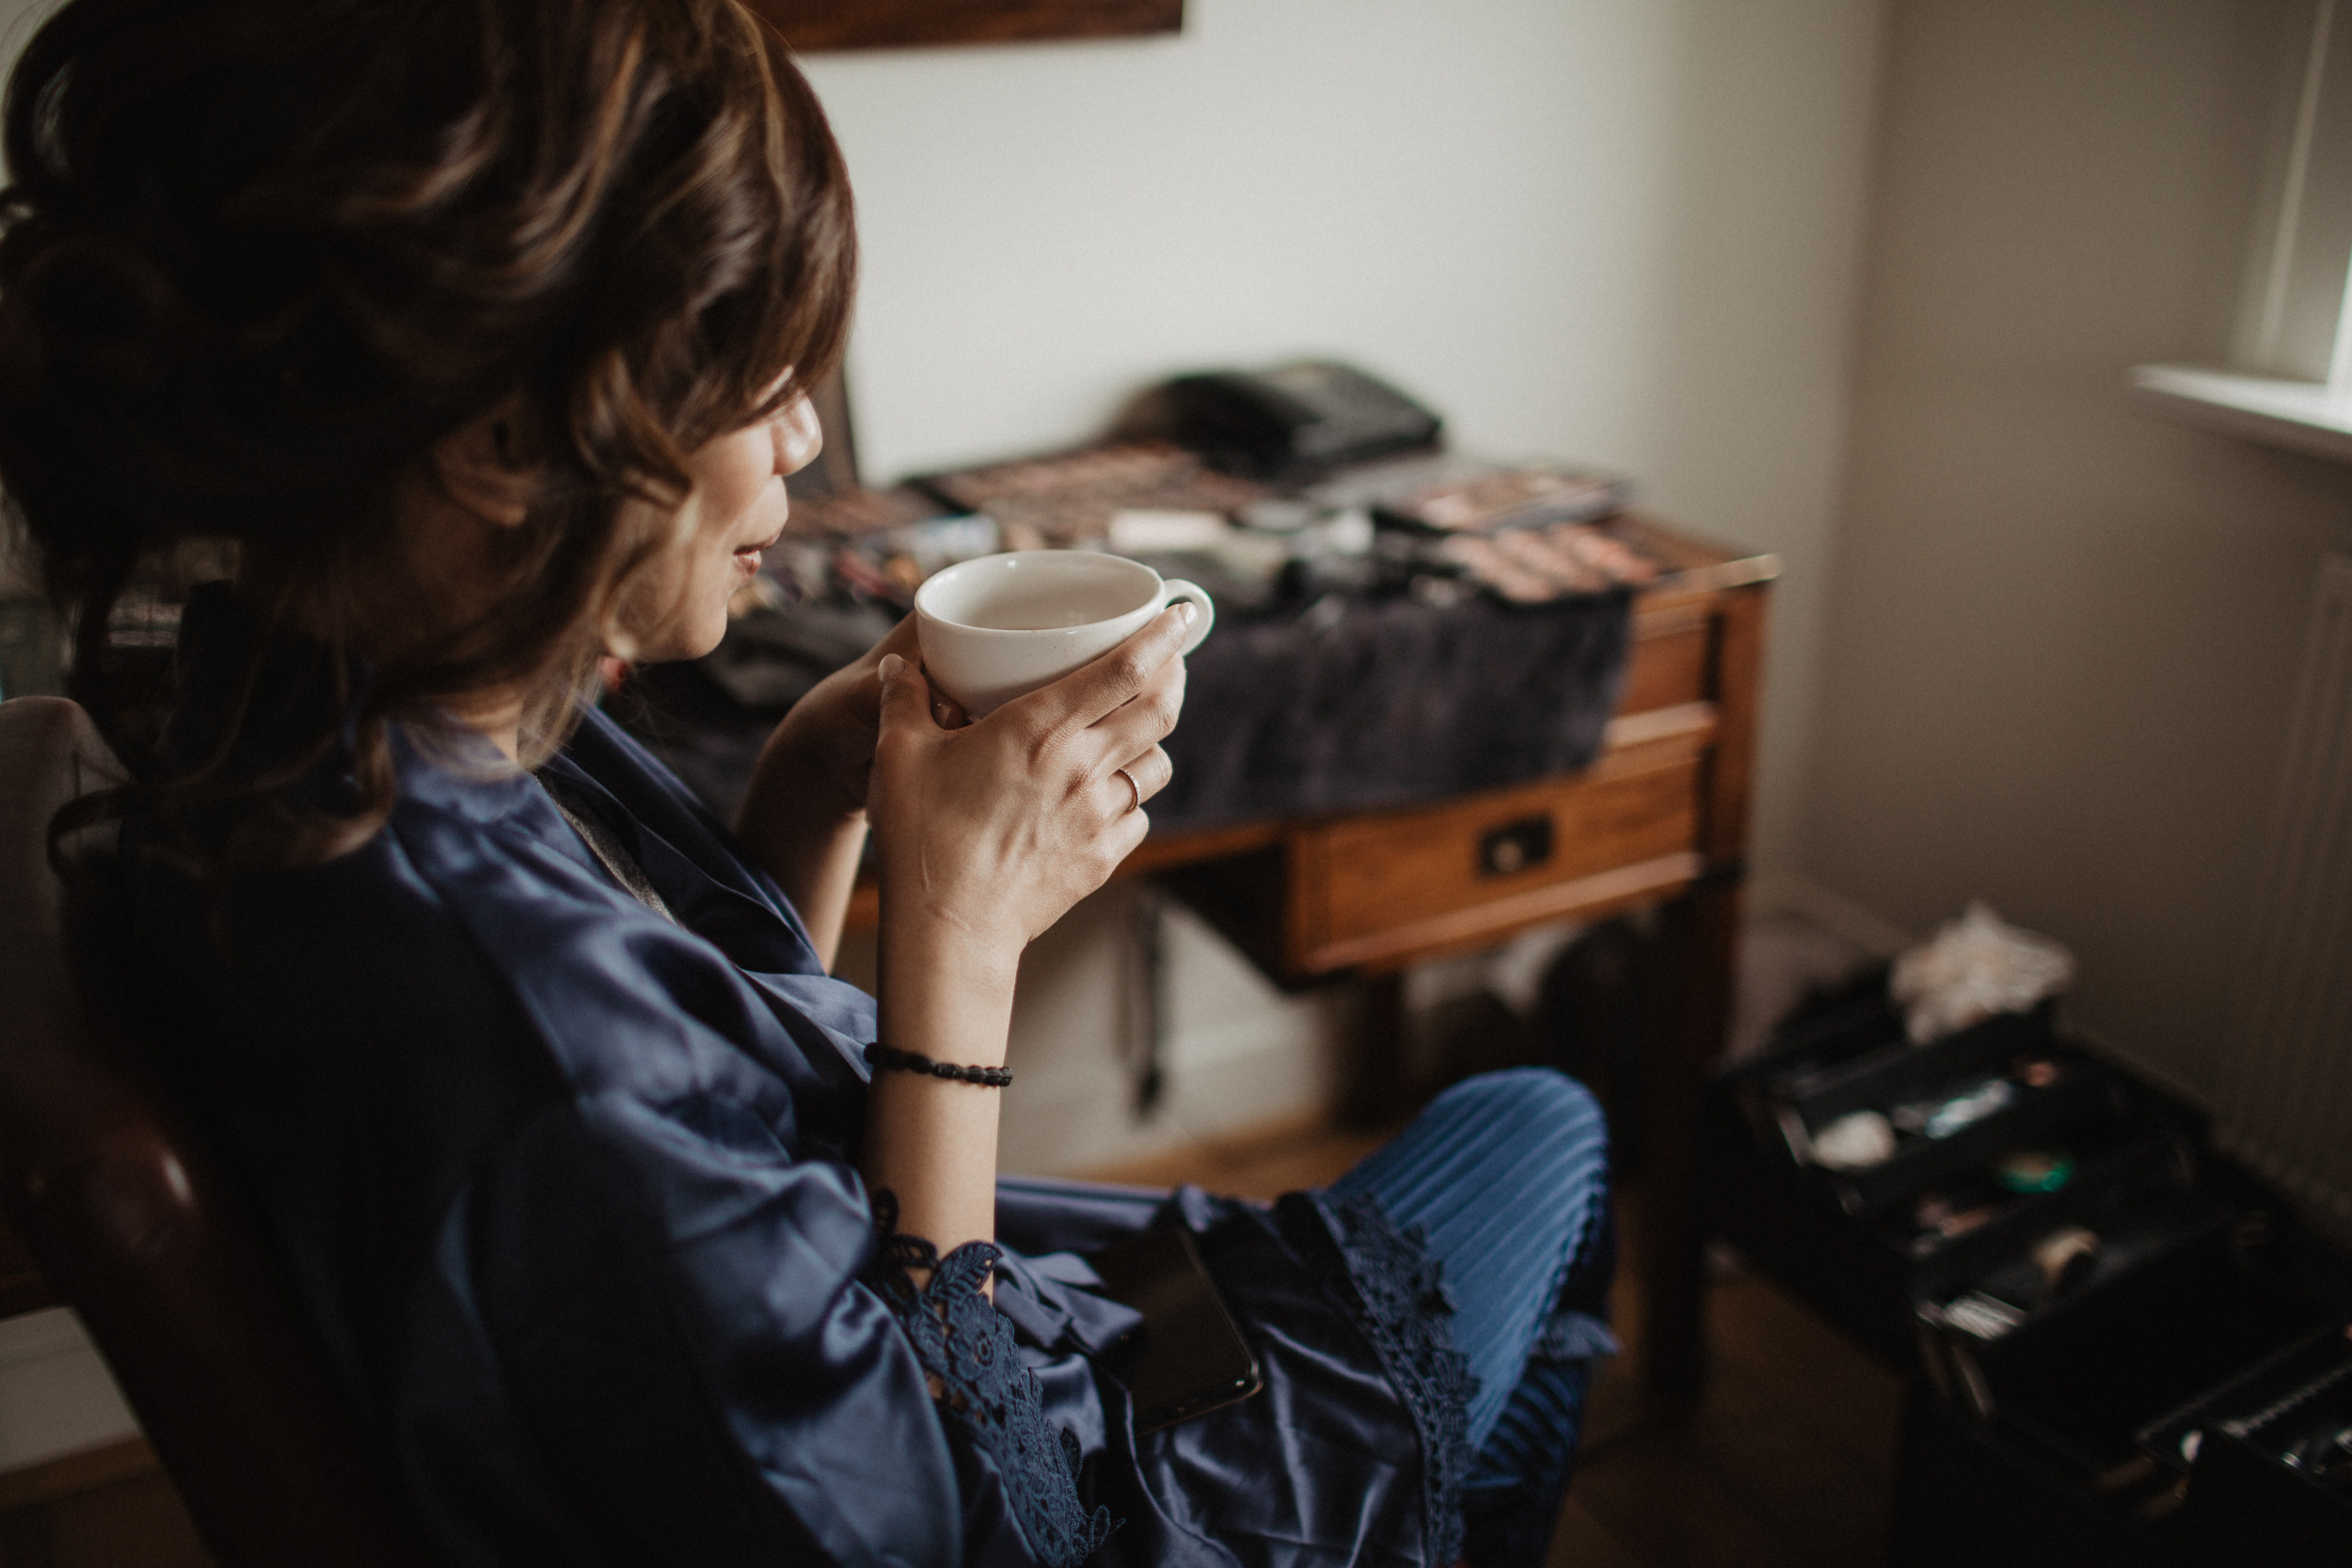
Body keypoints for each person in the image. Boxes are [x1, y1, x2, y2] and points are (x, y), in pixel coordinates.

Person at [0, 0, 1613, 1563]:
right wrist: (963, 945)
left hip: (903, 1333)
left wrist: (812, 787)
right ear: (500, 439)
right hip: (1019, 1472)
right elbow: (946, 1516)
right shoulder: (528, 1038)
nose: (802, 444)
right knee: (1541, 1127)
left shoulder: (318, 696)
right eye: (758, 377)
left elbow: (707, 1105)